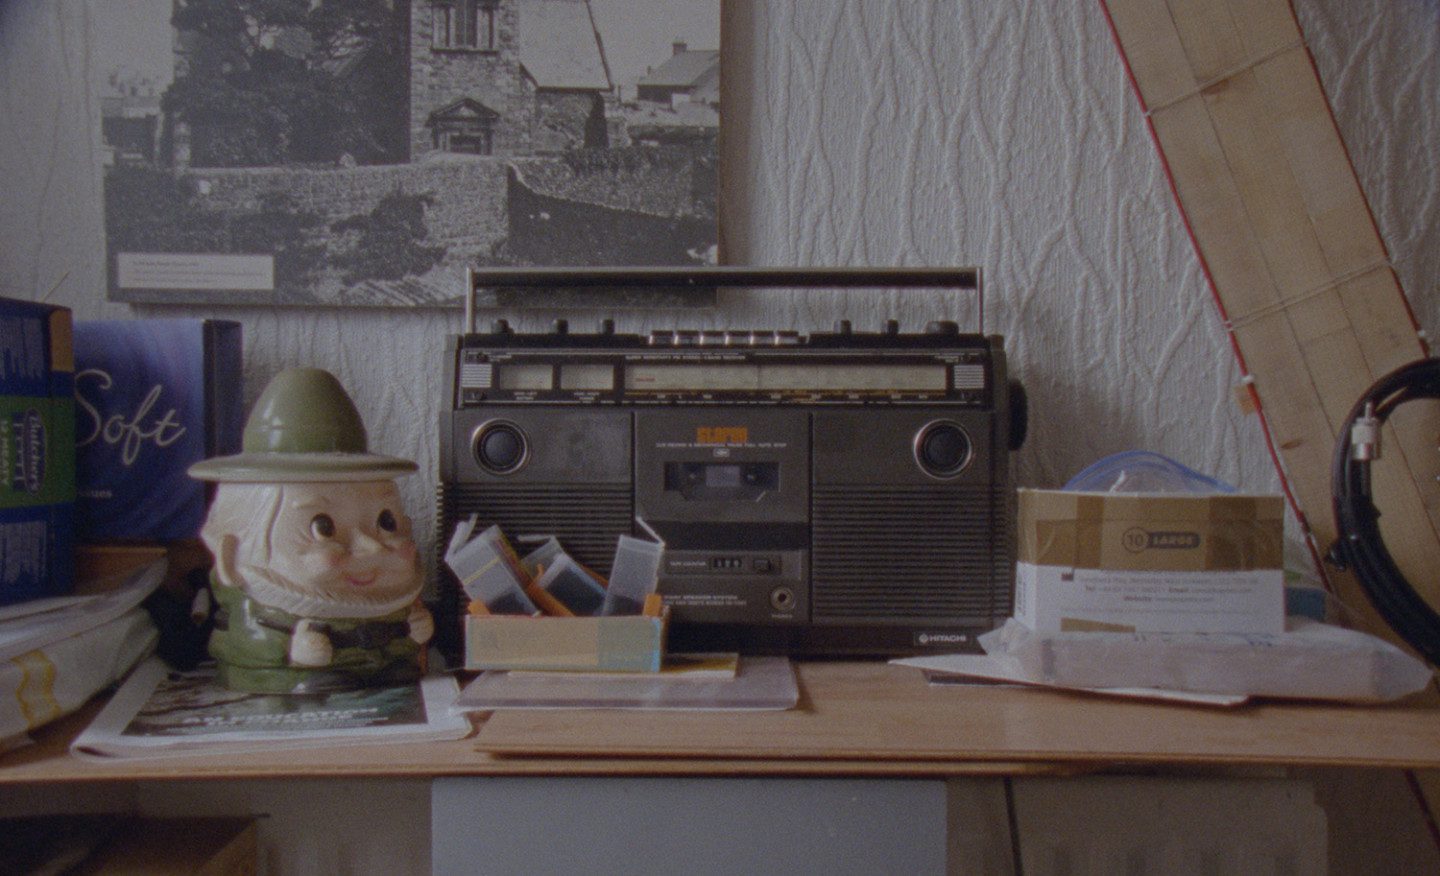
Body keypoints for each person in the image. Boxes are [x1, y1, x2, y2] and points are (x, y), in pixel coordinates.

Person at [189, 368, 433, 694]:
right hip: (291, 675)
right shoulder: (259, 609)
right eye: (323, 528)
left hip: (384, 665)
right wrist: (290, 649)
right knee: (313, 685)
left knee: (398, 676)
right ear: (233, 557)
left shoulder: (394, 603)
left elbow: (402, 630)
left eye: (386, 522)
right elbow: (240, 640)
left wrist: (415, 631)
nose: (372, 549)